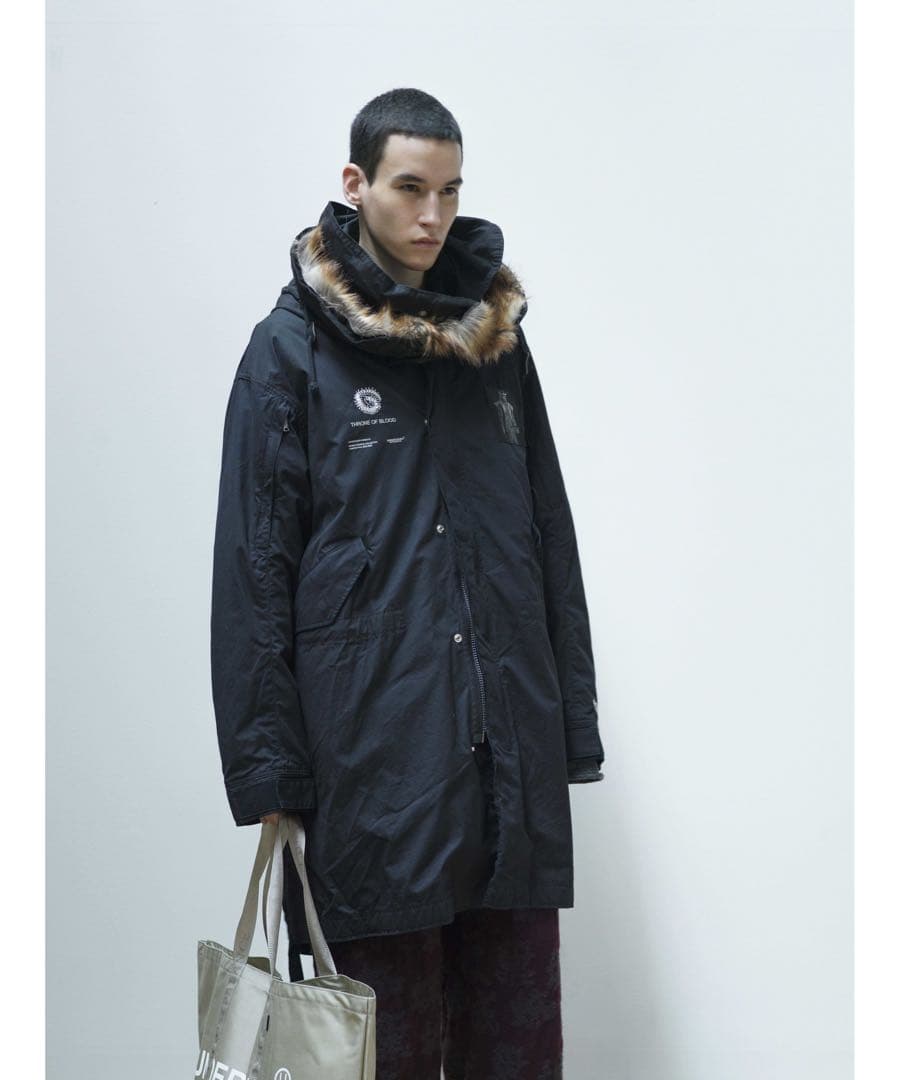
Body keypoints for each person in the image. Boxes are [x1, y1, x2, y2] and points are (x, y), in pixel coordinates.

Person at [209, 87, 606, 1080]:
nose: (434, 215)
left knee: (516, 1047)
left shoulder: (495, 349)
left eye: (451, 191)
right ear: (357, 184)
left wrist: (571, 729)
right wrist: (270, 774)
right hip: (373, 773)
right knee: (381, 1051)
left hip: (508, 764)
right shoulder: (289, 352)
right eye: (410, 188)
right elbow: (253, 571)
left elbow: (549, 537)